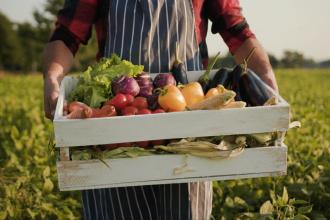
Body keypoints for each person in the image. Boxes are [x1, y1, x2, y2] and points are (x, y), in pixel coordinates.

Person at [43, 0, 278, 219]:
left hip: (188, 132)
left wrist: (265, 75)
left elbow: (235, 27)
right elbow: (67, 34)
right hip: (117, 125)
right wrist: (53, 78)